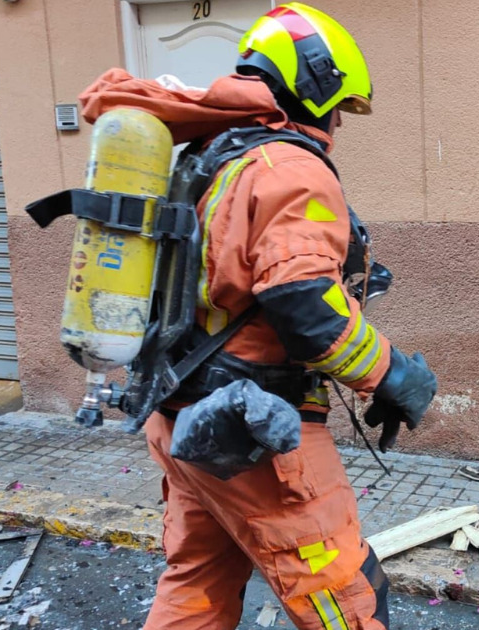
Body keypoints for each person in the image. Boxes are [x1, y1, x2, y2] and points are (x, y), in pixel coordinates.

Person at [76, 4, 436, 628]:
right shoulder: (290, 167)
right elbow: (305, 310)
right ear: (317, 86)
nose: (337, 126)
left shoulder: (210, 157)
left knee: (197, 585)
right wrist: (391, 375)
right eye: (339, 109)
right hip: (255, 435)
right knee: (344, 598)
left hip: (180, 417)